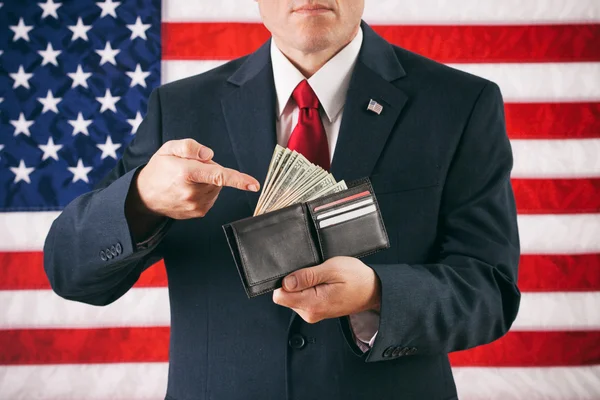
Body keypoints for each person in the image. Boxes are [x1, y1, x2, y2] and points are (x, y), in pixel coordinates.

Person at [43, 1, 521, 399]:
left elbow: (491, 291)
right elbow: (71, 273)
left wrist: (377, 294)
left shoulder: (460, 103)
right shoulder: (181, 109)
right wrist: (143, 198)